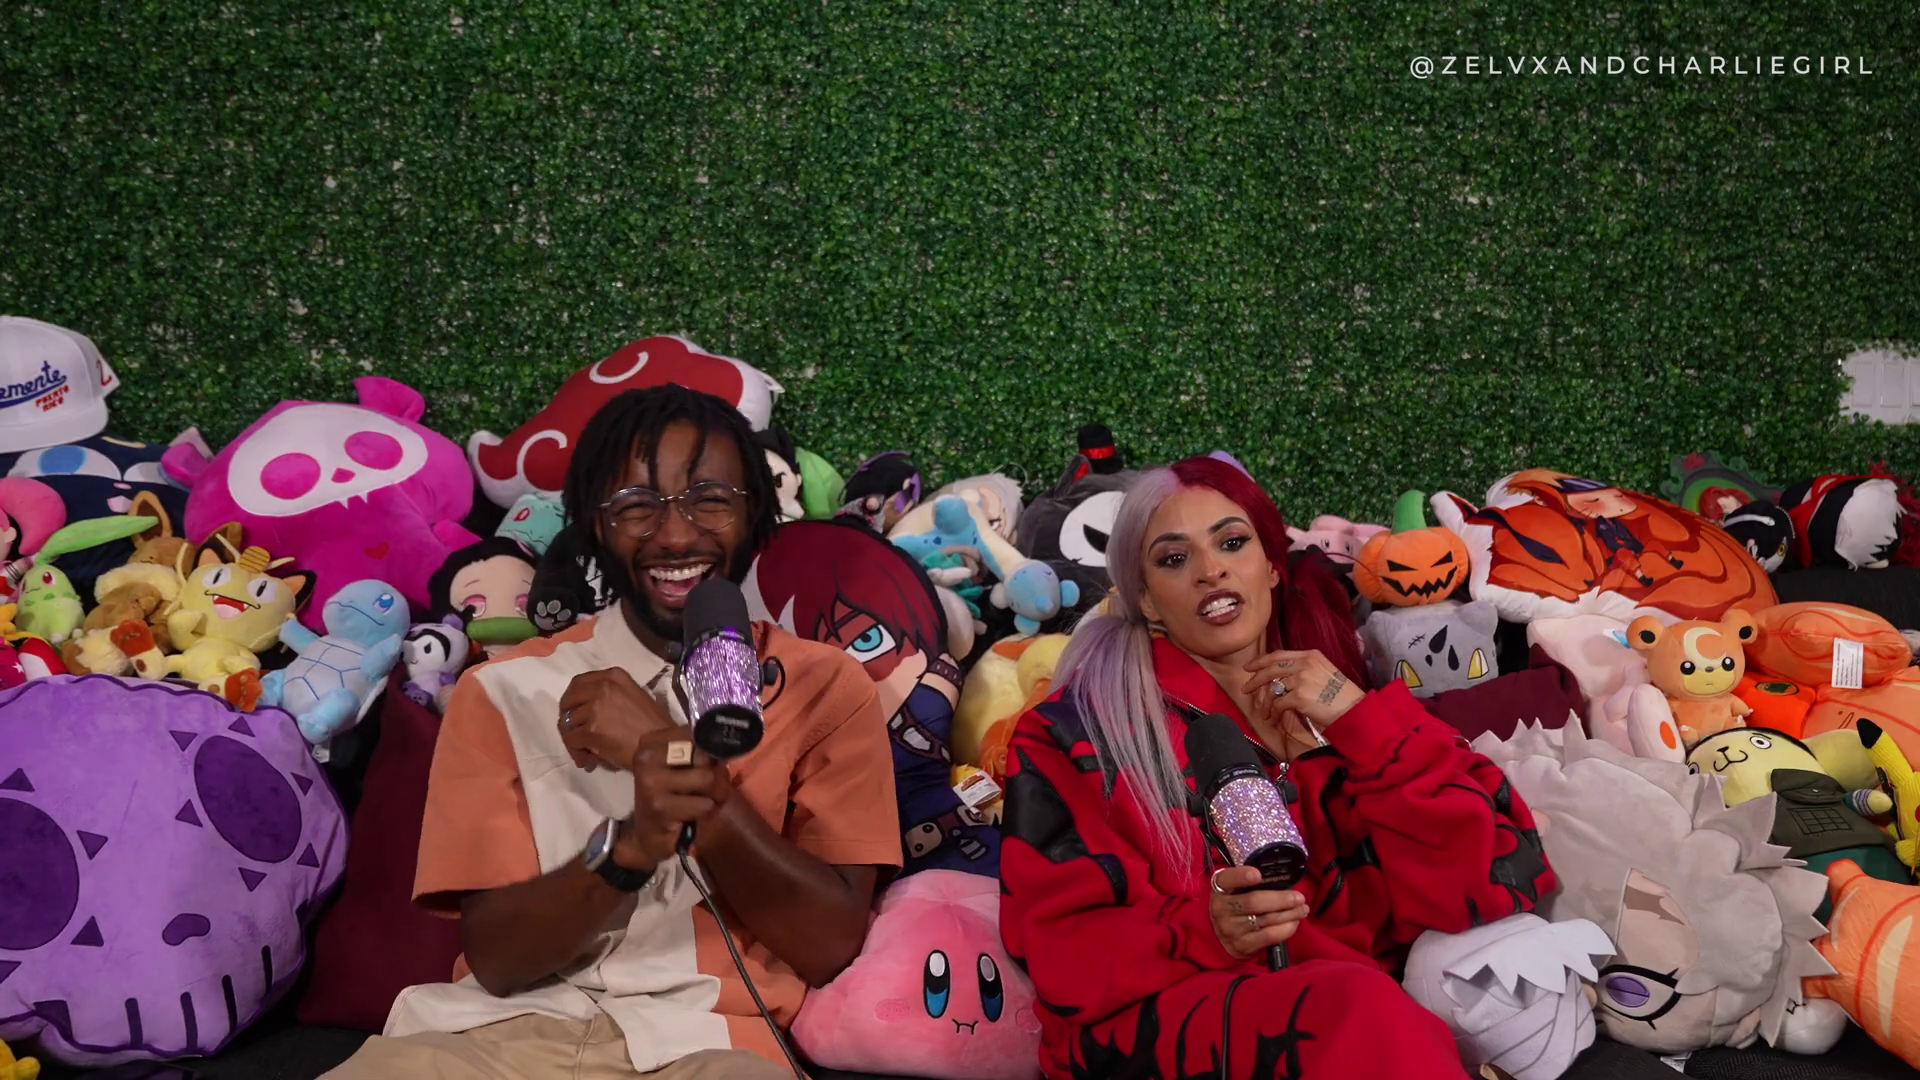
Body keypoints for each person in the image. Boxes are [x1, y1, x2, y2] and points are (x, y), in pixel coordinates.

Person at [323, 385, 903, 1080]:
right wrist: (627, 849)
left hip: (712, 1047)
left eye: (711, 500)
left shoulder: (827, 688)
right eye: (636, 505)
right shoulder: (499, 690)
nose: (677, 535)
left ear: (756, 515)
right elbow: (499, 961)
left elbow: (829, 946)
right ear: (595, 527)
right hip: (486, 1039)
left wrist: (676, 764)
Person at [998, 457, 1558, 1080]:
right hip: (1166, 1023)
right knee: (1357, 1009)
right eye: (1174, 558)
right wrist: (1203, 930)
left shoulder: (1347, 706)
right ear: (1147, 600)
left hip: (1371, 1017)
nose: (1210, 570)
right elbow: (1060, 951)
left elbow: (1494, 879)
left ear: (1270, 565)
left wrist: (1361, 722)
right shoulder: (1075, 733)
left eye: (1232, 543)